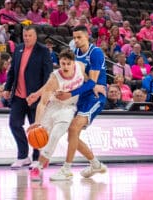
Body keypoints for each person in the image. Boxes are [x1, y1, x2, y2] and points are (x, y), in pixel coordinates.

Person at [50, 25, 107, 181]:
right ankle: (95, 164)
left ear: (87, 36)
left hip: (95, 97)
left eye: (79, 37)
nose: (76, 40)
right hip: (81, 95)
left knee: (74, 128)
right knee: (71, 134)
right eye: (74, 38)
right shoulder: (74, 53)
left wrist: (69, 93)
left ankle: (66, 170)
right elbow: (78, 77)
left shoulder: (96, 53)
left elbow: (92, 82)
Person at [26, 49, 86, 181]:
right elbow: (42, 103)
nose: (65, 67)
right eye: (62, 63)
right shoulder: (54, 78)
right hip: (53, 107)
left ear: (73, 63)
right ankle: (45, 156)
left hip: (68, 108)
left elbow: (89, 80)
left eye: (68, 64)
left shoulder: (81, 67)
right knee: (41, 138)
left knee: (55, 135)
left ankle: (39, 166)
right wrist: (37, 122)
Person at [3, 25, 53, 170]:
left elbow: (48, 74)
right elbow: (12, 71)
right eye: (25, 35)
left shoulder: (43, 51)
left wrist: (43, 95)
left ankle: (37, 158)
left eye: (30, 35)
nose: (27, 38)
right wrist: (7, 88)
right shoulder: (18, 49)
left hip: (35, 97)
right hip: (18, 96)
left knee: (36, 128)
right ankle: (23, 156)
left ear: (35, 36)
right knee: (14, 124)